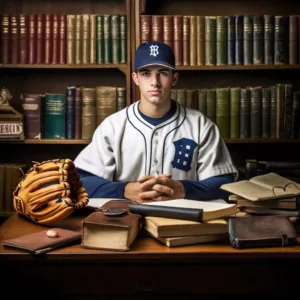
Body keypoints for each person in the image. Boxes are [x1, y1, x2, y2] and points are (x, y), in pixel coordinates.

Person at [74, 41, 238, 203]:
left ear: (174, 78)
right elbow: (80, 180)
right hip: (127, 218)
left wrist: (183, 189)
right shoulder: (113, 127)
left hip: (181, 221)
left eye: (163, 73)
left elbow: (225, 182)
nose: (155, 82)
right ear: (135, 78)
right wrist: (124, 190)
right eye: (146, 73)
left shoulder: (201, 126)